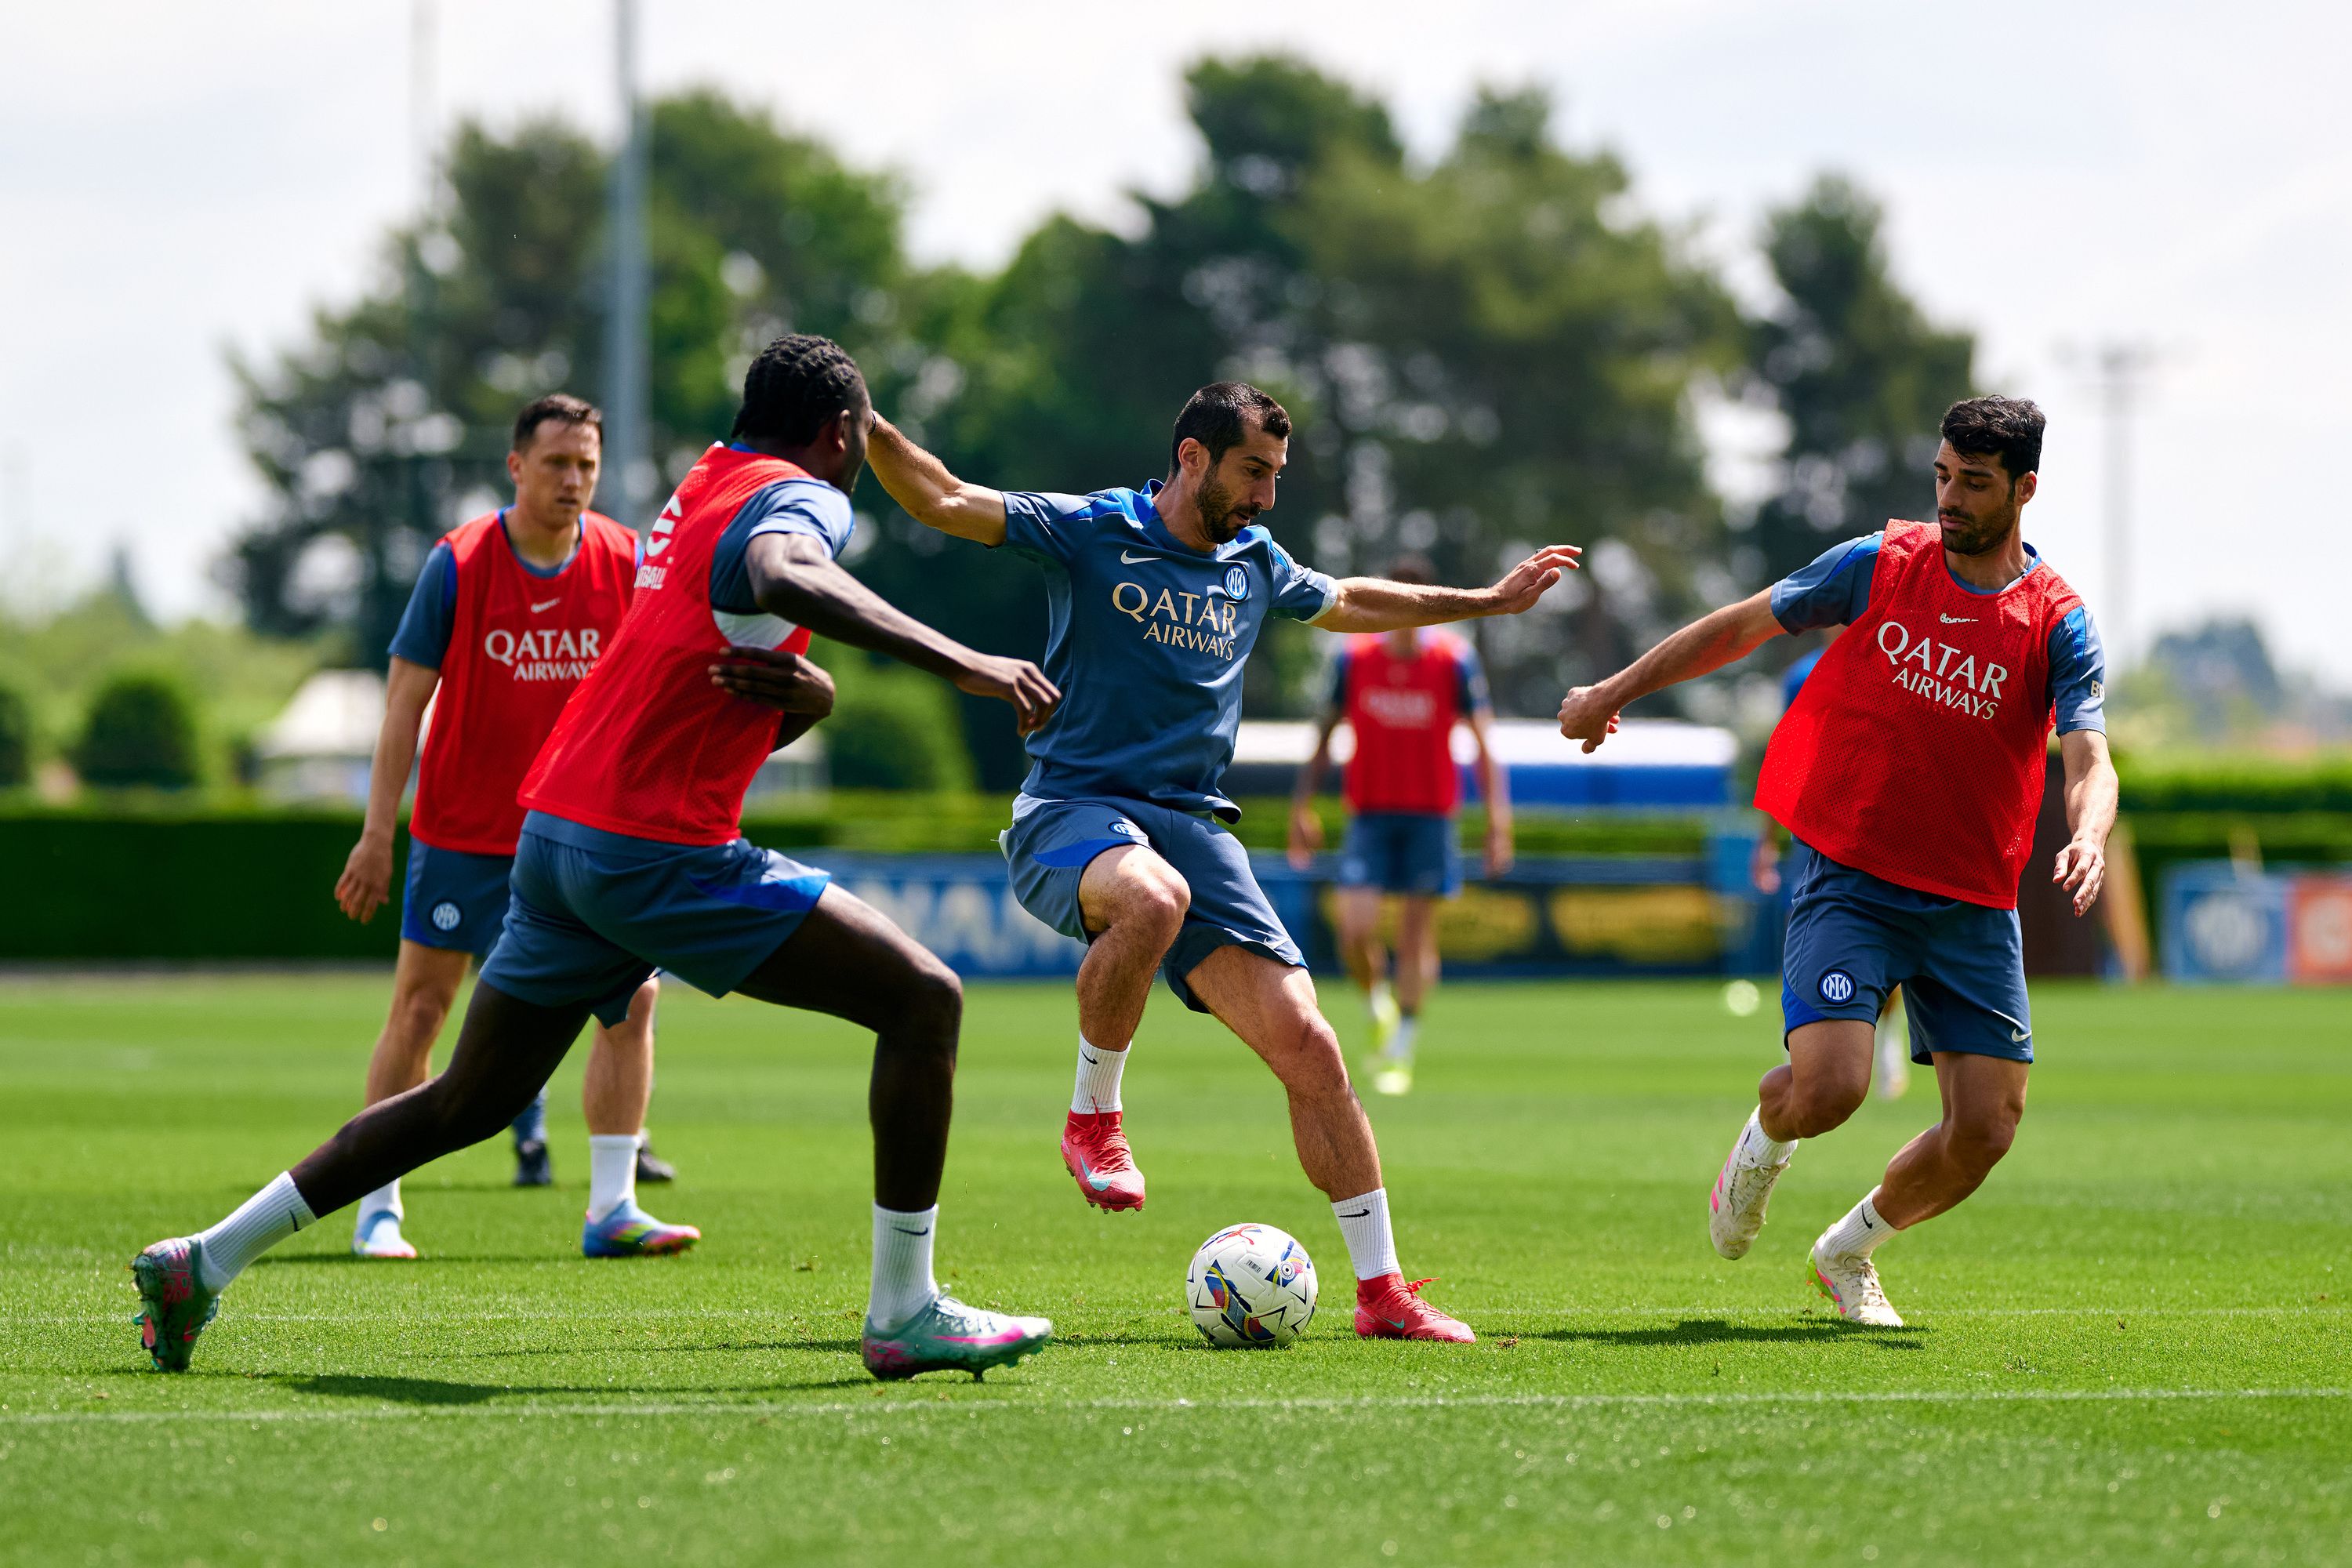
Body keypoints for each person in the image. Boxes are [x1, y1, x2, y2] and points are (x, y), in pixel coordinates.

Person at [132, 336, 1064, 1382]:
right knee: (924, 1000)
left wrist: (812, 701)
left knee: (469, 1101)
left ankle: (204, 1258)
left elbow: (699, 681)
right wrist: (965, 661)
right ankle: (905, 1310)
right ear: (838, 435)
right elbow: (782, 572)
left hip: (557, 838)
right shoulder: (803, 496)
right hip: (655, 852)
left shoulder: (704, 483)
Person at [852, 380, 1578, 1344]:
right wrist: (860, 417)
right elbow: (941, 496)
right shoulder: (1091, 529)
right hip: (1072, 809)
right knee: (1153, 897)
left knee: (1311, 1044)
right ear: (1191, 456)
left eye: (1276, 475)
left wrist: (1485, 600)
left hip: (1193, 824)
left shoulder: (1256, 559)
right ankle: (1093, 1118)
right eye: (1252, 471)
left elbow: (1353, 598)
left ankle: (1382, 1292)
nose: (1267, 496)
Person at [1558, 396, 2114, 1327]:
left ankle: (1847, 1250)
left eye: (1975, 483)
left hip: (1972, 900)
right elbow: (1740, 625)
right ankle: (1761, 1143)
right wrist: (1614, 689)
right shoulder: (1878, 563)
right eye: (1943, 475)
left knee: (1986, 1128)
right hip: (1853, 872)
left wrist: (2088, 834)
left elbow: (2090, 757)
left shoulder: (2058, 620)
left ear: (2025, 489)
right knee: (1830, 1088)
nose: (1950, 498)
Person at [330, 393, 694, 1264]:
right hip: (464, 832)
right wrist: (377, 834)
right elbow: (403, 706)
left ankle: (613, 1206)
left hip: (584, 836)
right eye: (556, 463)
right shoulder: (457, 563)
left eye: (587, 465)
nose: (573, 479)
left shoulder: (627, 560)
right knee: (422, 1008)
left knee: (634, 1000)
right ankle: (377, 1206)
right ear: (516, 466)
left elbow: (659, 692)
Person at [1286, 556, 1512, 1095]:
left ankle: (1401, 1046)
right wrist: (1302, 807)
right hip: (1369, 813)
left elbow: (1484, 743)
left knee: (1415, 934)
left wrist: (1497, 822)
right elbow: (1324, 735)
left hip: (1431, 815)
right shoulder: (1354, 659)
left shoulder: (1454, 662)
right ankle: (1377, 1006)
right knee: (1354, 928)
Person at [1747, 637, 1910, 1100]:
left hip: (1878, 830)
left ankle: (1886, 1039)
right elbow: (1789, 751)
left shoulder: (1900, 659)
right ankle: (1800, 1044)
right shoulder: (1803, 674)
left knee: (1891, 938)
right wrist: (1768, 839)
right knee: (1801, 939)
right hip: (1815, 832)